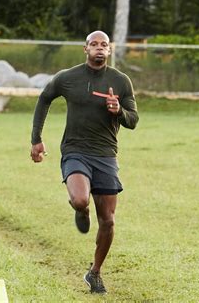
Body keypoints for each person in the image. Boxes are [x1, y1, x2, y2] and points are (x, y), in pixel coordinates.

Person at [30, 30, 139, 294]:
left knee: (109, 221)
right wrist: (36, 139)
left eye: (104, 45)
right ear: (85, 49)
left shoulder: (121, 81)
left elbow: (133, 120)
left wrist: (118, 111)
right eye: (94, 44)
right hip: (75, 150)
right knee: (80, 199)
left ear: (109, 51)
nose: (99, 48)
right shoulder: (68, 78)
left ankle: (95, 273)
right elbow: (44, 98)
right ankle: (81, 210)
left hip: (106, 155)